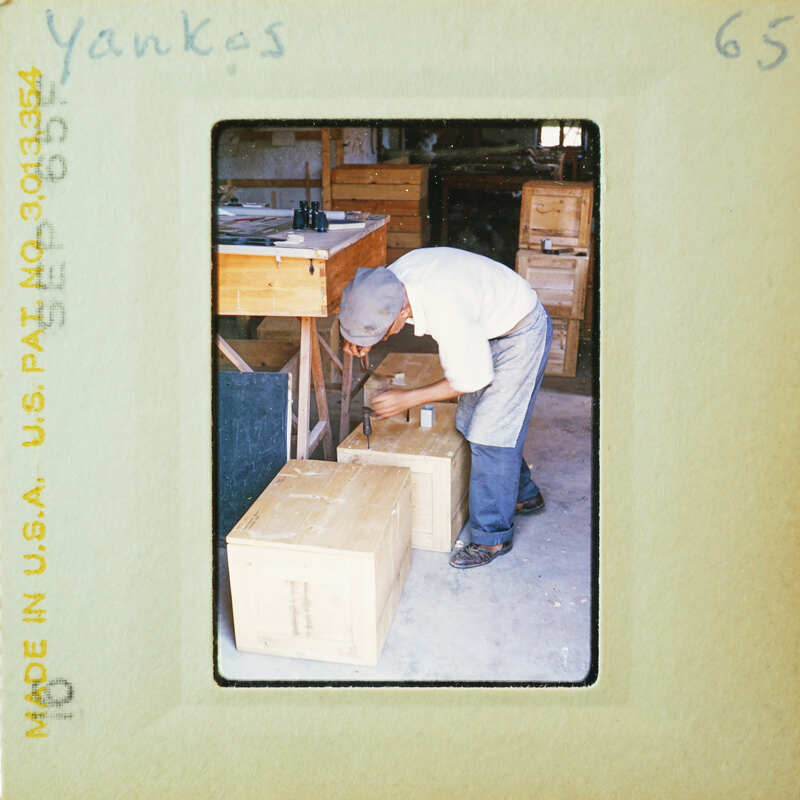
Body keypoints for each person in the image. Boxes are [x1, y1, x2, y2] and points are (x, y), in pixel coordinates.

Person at [338, 246, 553, 569]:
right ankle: (524, 494)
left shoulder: (447, 310)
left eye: (382, 333)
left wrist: (408, 398)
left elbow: (470, 380)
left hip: (519, 331)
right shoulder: (388, 284)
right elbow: (367, 310)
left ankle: (492, 537)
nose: (382, 339)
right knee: (469, 421)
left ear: (402, 311)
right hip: (487, 320)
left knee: (490, 435)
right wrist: (360, 334)